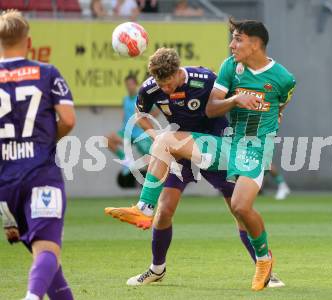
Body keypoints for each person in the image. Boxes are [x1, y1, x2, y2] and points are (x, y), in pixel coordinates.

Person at [105, 18, 296, 291]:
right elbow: (141, 117)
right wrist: (157, 138)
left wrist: (267, 111)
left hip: (217, 146)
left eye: (170, 84)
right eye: (162, 86)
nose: (166, 90)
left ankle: (266, 269)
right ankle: (156, 268)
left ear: (179, 73)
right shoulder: (151, 88)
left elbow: (237, 100)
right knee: (165, 211)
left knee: (239, 211)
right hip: (182, 149)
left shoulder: (205, 79)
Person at [0, 10, 76, 300]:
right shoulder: (47, 73)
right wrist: (44, 142)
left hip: (6, 180)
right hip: (41, 173)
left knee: (46, 259)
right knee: (47, 250)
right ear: (28, 41)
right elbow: (68, 120)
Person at [106, 74, 154, 181]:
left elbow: (153, 112)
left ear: (136, 85)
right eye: (127, 85)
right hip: (127, 132)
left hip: (140, 133)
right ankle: (127, 159)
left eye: (131, 84)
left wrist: (144, 121)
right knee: (107, 140)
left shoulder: (141, 98)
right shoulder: (125, 99)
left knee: (151, 161)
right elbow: (125, 114)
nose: (129, 87)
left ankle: (149, 183)